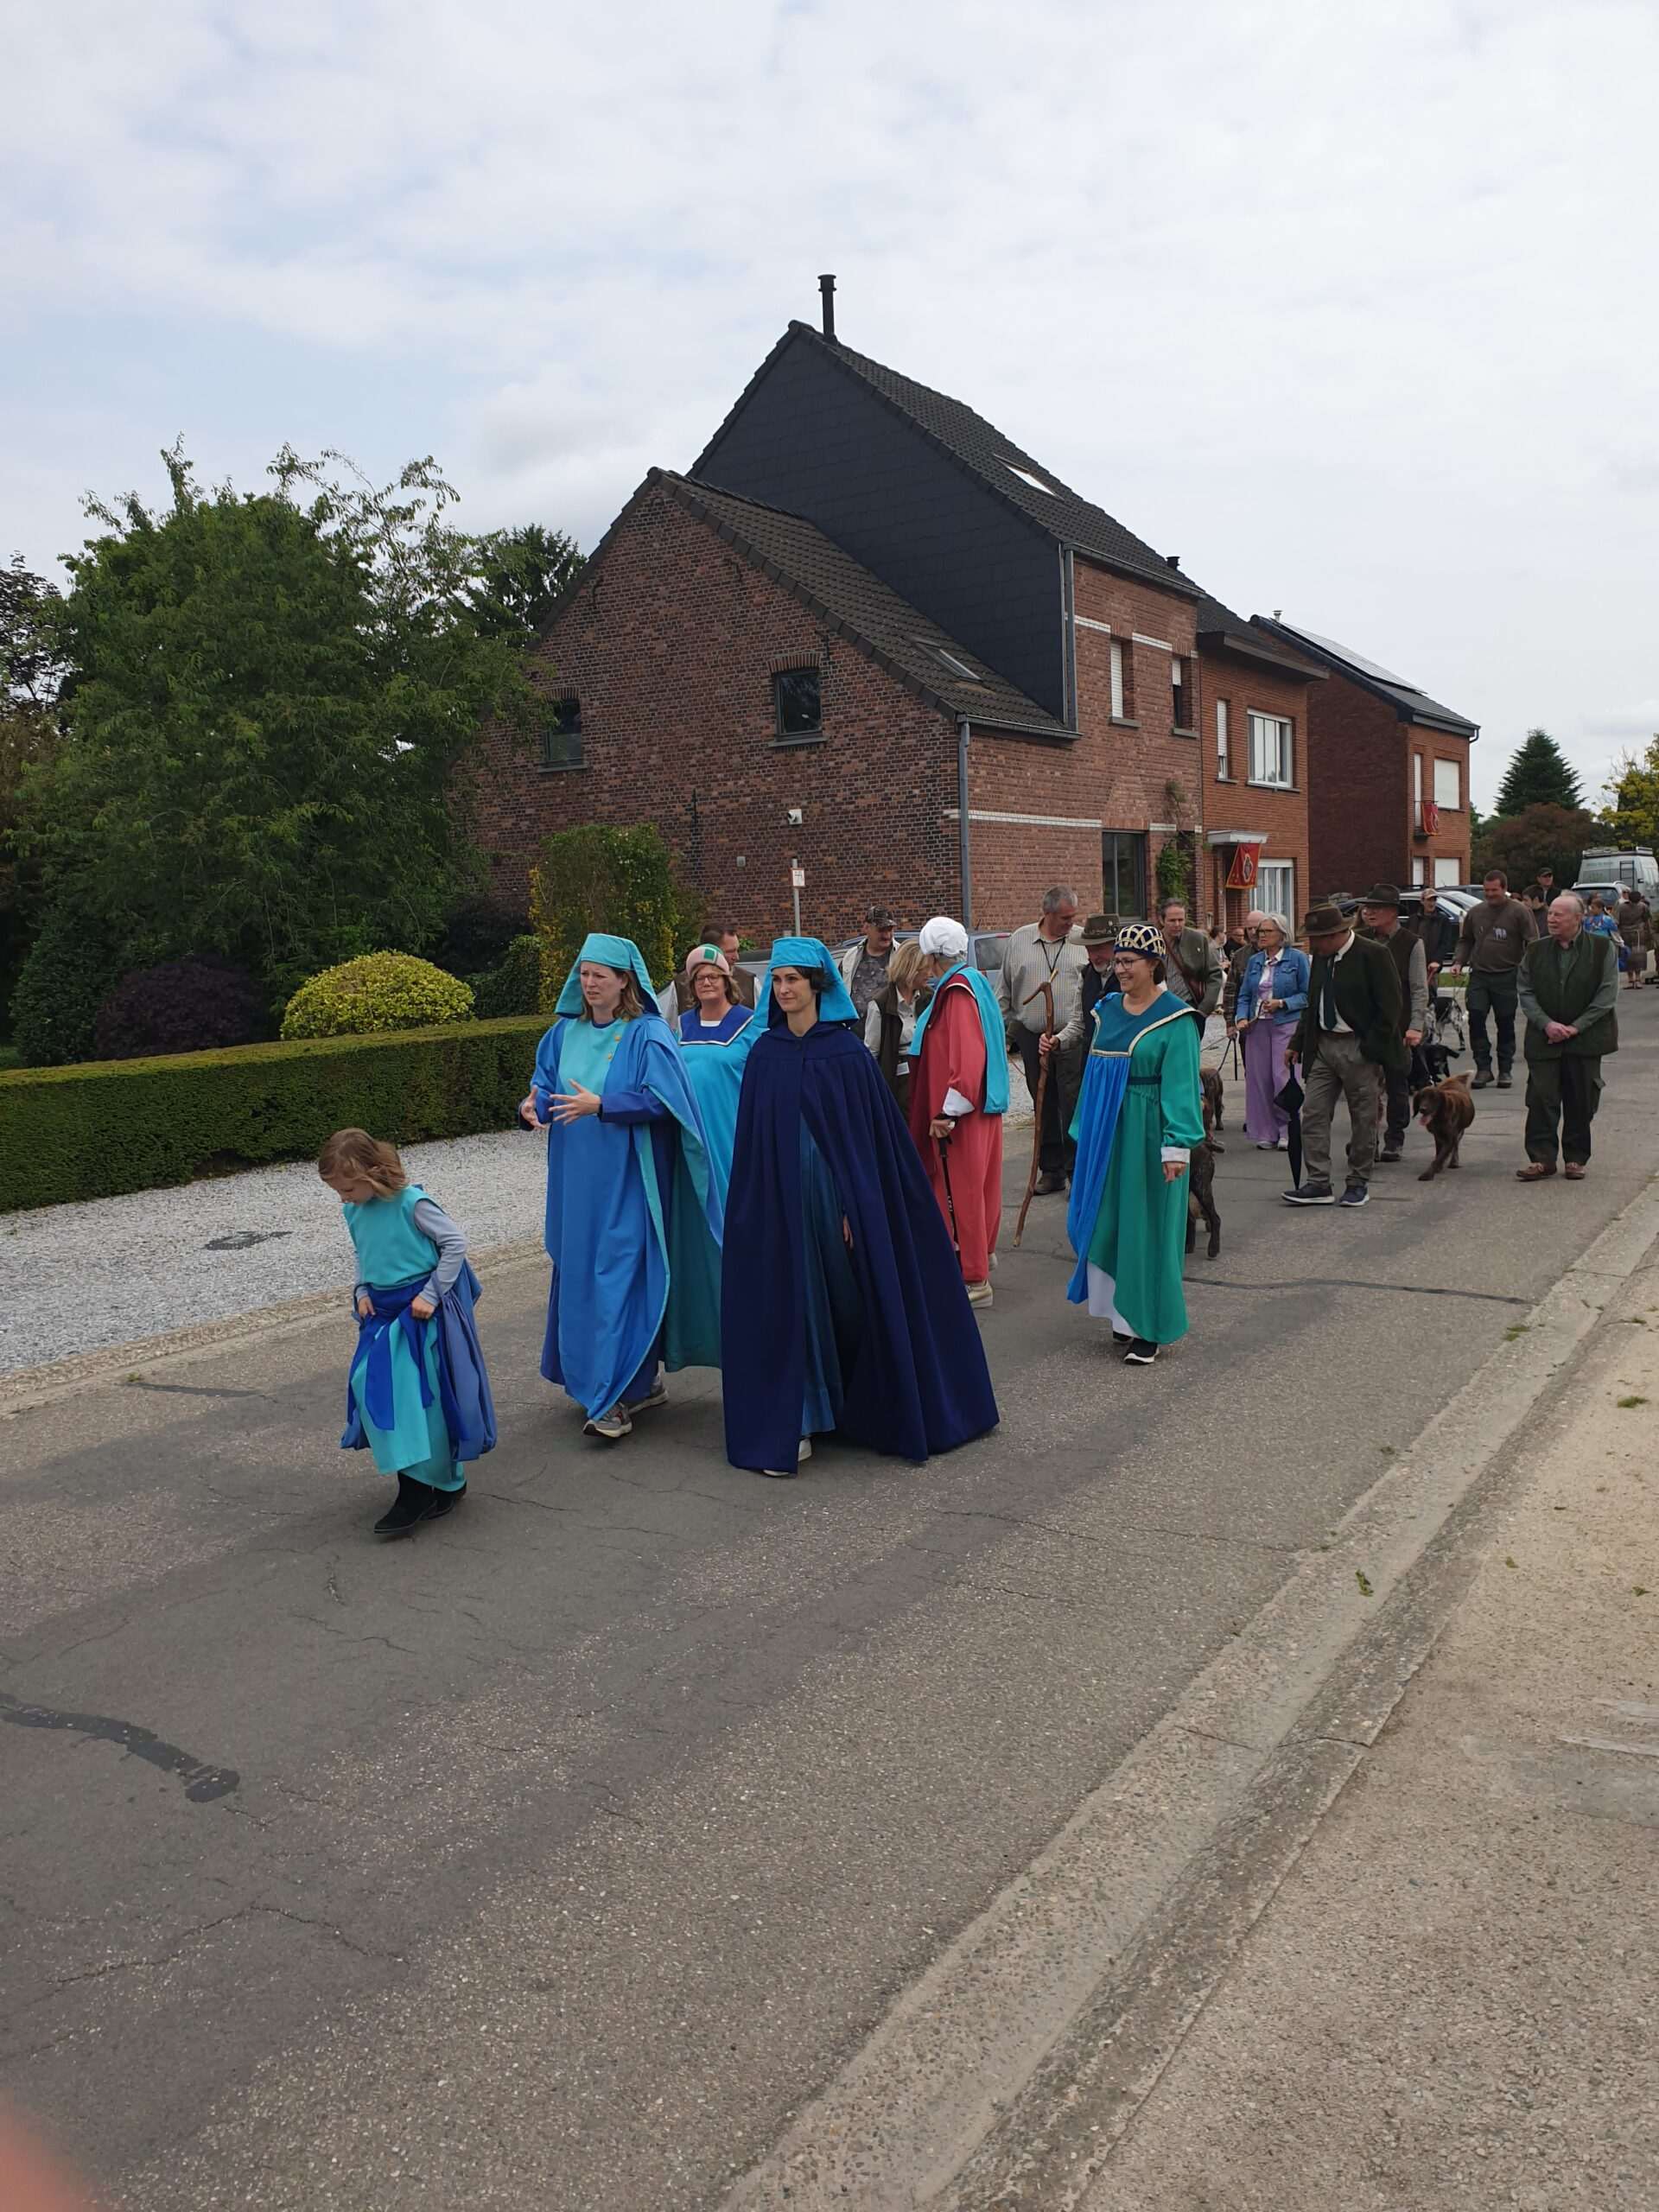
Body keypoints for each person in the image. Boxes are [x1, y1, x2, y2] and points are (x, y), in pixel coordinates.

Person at [721, 938, 999, 1478]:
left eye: (793, 980)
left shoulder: (845, 1055)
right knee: (794, 1297)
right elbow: (753, 1143)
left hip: (834, 1199)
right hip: (783, 1200)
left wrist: (856, 1205)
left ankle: (860, 1403)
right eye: (777, 981)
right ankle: (804, 1412)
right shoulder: (765, 1055)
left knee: (850, 1298)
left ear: (817, 985)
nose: (783, 990)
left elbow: (869, 1144)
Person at [522, 932, 722, 1443]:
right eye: (584, 974)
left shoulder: (647, 1034)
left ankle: (611, 1398)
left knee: (618, 1278)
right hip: (575, 1184)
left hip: (630, 1181)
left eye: (600, 975)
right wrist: (532, 1106)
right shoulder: (562, 1034)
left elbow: (668, 1102)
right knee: (581, 1277)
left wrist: (605, 1105)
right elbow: (545, 1086)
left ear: (624, 981)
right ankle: (636, 1382)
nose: (589, 983)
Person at [321, 1128, 496, 1538]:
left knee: (421, 1401)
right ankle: (437, 1483)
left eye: (347, 1188)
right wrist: (362, 1290)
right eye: (338, 1191)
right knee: (373, 1388)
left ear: (372, 1173)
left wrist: (431, 1295)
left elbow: (455, 1244)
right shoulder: (354, 1211)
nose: (343, 1198)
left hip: (420, 1316)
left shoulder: (411, 1204)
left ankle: (422, 1488)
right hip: (381, 1317)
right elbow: (363, 1253)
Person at [1065, 920, 1205, 1365]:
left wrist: (1176, 1145)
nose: (1120, 969)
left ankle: (1151, 1326)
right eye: (1118, 961)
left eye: (1128, 962)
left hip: (1148, 1133)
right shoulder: (1106, 1011)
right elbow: (1094, 1074)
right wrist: (1084, 1129)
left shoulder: (1176, 1020)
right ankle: (1123, 1316)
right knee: (1108, 1220)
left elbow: (1182, 1086)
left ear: (1153, 964)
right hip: (1107, 1133)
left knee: (1149, 1226)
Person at [907, 915, 1009, 1305]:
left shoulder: (957, 992)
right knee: (981, 1188)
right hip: (983, 1106)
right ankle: (982, 1255)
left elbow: (966, 1060)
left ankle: (974, 1277)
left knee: (959, 1192)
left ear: (933, 956)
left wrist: (946, 1112)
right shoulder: (975, 982)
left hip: (961, 1114)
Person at [1282, 901, 1405, 1208]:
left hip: (1358, 1046)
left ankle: (1358, 1181)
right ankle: (1318, 1182)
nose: (1313, 945)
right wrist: (1297, 1042)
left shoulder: (1373, 955)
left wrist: (1371, 1048)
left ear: (1335, 934)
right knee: (1313, 1112)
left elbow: (1391, 1007)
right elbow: (1312, 1004)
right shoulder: (1322, 959)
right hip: (1324, 1045)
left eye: (1316, 939)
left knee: (1363, 1117)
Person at [672, 943, 757, 1322]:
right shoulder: (680, 1027)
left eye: (713, 976)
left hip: (732, 1134)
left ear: (727, 980)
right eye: (699, 978)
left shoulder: (750, 1025)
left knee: (734, 1221)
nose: (706, 982)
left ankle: (744, 1309)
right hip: (690, 1139)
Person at [1516, 893, 1619, 1183]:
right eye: (1550, 914)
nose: (1551, 919)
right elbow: (1525, 990)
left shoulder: (1602, 948)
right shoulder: (1535, 950)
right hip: (1544, 1038)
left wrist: (1576, 1027)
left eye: (1559, 915)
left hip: (1585, 1039)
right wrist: (1546, 1024)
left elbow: (1607, 994)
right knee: (1541, 1099)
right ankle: (1541, 1159)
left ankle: (1575, 1158)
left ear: (1578, 918)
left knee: (1581, 1100)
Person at [996, 885, 1088, 1194]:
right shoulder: (1019, 940)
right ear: (1046, 913)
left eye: (1073, 917)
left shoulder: (1080, 940)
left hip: (1070, 1036)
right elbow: (1004, 991)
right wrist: (999, 1034)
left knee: (1072, 1104)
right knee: (1043, 1104)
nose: (1070, 923)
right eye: (1064, 918)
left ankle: (1077, 1173)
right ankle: (1051, 1171)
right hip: (1031, 1035)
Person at [1357, 885, 1429, 1162]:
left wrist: (1416, 1026)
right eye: (1367, 908)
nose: (1369, 912)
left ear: (1393, 912)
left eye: (1376, 908)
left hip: (1399, 1027)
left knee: (1397, 1084)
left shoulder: (1411, 943)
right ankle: (1368, 1140)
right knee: (1365, 1087)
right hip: (1366, 1026)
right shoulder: (1360, 939)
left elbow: (1419, 988)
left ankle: (1394, 1138)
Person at [1453, 870, 1537, 1089]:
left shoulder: (1520, 912)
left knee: (1505, 1022)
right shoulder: (1476, 913)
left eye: (1494, 890)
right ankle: (1483, 1068)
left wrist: (1529, 969)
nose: (1490, 894)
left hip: (1507, 975)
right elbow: (1466, 940)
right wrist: (1458, 962)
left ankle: (1505, 1069)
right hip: (1480, 975)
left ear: (1504, 889)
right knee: (1476, 1017)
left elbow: (1533, 943)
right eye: (1486, 890)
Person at [1232, 913, 1309, 1149]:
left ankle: (1287, 1129)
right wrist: (1241, 1018)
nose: (1261, 935)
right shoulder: (1255, 961)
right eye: (1260, 931)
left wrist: (1282, 1003)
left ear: (1282, 935)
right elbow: (1244, 995)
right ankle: (1266, 1131)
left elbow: (1308, 995)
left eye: (1267, 931)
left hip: (1286, 1024)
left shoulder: (1297, 959)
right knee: (1260, 1079)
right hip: (1257, 1027)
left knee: (1282, 1076)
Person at [864, 938, 932, 1109]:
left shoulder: (930, 998)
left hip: (929, 1077)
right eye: (926, 968)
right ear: (912, 969)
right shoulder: (880, 1005)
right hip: (897, 1087)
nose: (930, 973)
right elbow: (871, 1054)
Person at [1047, 914, 1122, 1055]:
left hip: (1122, 1059)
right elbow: (1079, 1024)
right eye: (1089, 950)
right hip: (1091, 1059)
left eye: (1099, 948)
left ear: (1115, 945)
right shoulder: (1086, 975)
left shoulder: (1130, 975)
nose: (1093, 957)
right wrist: (1057, 1040)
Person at [1160, 898, 1224, 1033]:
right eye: (1172, 920)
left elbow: (1215, 974)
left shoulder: (1197, 939)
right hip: (1161, 1010)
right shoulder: (1154, 941)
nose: (1177, 924)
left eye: (1181, 920)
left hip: (1190, 1008)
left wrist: (1205, 1008)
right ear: (1162, 920)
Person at [836, 905, 900, 1018]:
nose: (887, 935)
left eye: (890, 929)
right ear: (866, 928)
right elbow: (838, 991)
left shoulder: (901, 955)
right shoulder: (850, 956)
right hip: (854, 1027)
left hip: (888, 1027)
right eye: (881, 930)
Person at [1223, 911, 1268, 1026]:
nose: (1253, 932)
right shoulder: (1240, 956)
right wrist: (1230, 1023)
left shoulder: (1280, 953)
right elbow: (1231, 991)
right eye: (1249, 928)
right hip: (1248, 1020)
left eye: (1256, 928)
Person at [1616, 888, 1652, 989]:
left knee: (1629, 956)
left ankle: (1632, 980)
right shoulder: (1642, 906)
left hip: (1627, 934)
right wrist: (1649, 933)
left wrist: (1616, 935)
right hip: (1637, 934)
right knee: (1636, 956)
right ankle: (1636, 979)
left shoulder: (1621, 907)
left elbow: (1616, 921)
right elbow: (1647, 921)